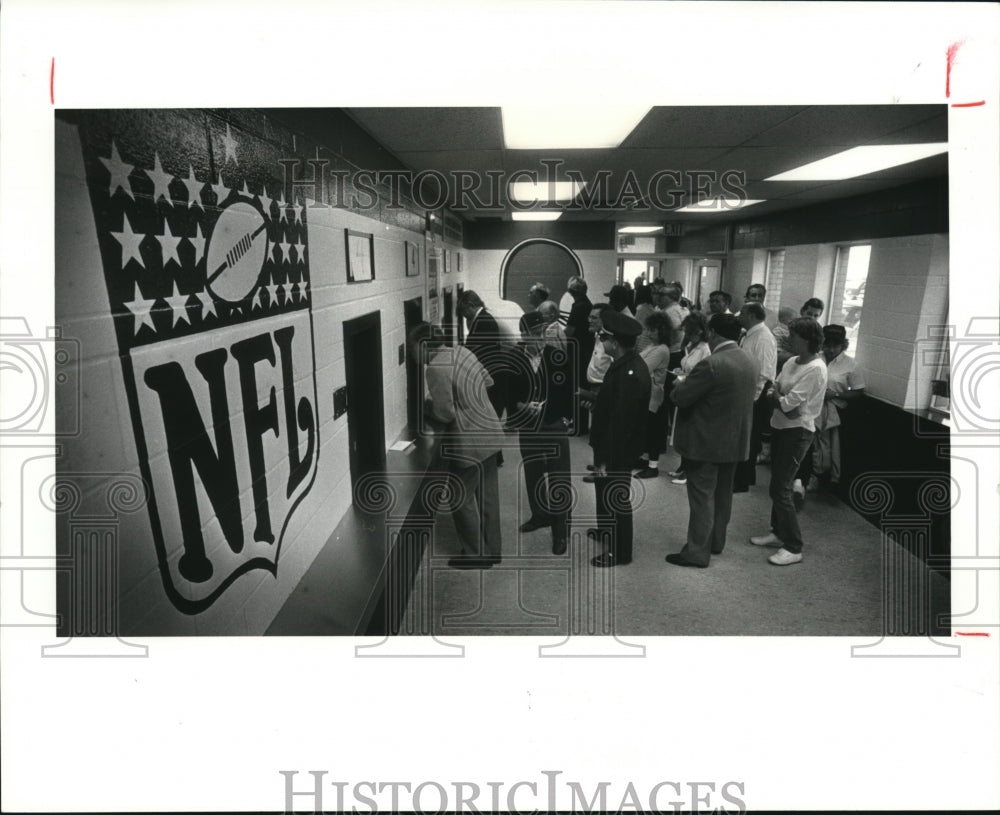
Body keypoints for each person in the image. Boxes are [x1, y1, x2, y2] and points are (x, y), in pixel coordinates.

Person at [664, 313, 757, 568]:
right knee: (723, 496)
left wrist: (680, 382)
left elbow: (681, 397)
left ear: (713, 333)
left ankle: (696, 552)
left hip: (706, 443)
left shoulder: (712, 364)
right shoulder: (749, 360)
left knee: (702, 499)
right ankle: (716, 542)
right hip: (735, 441)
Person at [409, 322, 503, 569]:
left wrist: (427, 407)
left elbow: (445, 413)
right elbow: (488, 381)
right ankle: (493, 550)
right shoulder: (463, 351)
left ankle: (475, 555)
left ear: (422, 346)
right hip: (491, 431)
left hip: (469, 442)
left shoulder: (436, 368)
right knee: (488, 495)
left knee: (460, 496)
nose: (411, 355)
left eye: (412, 349)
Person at [749, 317, 827, 566]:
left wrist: (781, 399)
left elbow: (787, 404)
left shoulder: (816, 368)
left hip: (798, 432)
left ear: (806, 339)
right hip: (782, 426)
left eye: (793, 336)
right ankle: (778, 532)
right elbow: (776, 391)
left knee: (781, 488)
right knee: (777, 484)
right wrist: (781, 399)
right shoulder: (793, 361)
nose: (788, 340)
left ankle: (794, 546)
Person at [587, 310, 650, 567]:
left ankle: (620, 552)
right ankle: (606, 532)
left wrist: (604, 458)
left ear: (615, 341)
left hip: (617, 449)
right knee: (604, 493)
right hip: (609, 444)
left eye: (603, 337)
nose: (600, 341)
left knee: (616, 497)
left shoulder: (631, 373)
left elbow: (621, 423)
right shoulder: (623, 363)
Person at [508, 312, 574, 555]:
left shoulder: (557, 357)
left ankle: (561, 532)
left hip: (554, 424)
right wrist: (521, 406)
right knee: (533, 473)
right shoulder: (514, 357)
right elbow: (507, 392)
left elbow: (568, 390)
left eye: (544, 334)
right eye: (536, 335)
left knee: (559, 479)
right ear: (524, 335)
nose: (542, 339)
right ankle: (540, 515)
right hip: (528, 427)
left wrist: (566, 418)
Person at [458, 289, 509, 464]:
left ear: (471, 306)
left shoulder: (484, 321)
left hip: (492, 375)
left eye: (464, 312)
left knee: (490, 419)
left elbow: (477, 351)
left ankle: (495, 458)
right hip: (493, 373)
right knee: (491, 419)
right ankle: (496, 458)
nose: (464, 317)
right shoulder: (483, 319)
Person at [812, 324, 866, 486]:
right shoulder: (815, 358)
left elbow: (858, 392)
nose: (830, 350)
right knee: (810, 444)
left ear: (843, 345)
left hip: (834, 411)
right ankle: (806, 475)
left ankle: (822, 477)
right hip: (812, 407)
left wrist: (835, 394)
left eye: (835, 346)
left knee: (827, 447)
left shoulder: (851, 365)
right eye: (826, 345)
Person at [733, 302, 777, 492]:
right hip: (746, 390)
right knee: (743, 436)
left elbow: (764, 372)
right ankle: (742, 476)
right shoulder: (749, 334)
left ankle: (742, 480)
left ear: (751, 315)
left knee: (749, 438)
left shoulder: (764, 337)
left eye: (742, 312)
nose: (738, 316)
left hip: (755, 394)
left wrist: (752, 398)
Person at [666, 310, 712, 485]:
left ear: (700, 331)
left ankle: (689, 471)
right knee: (682, 432)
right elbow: (688, 367)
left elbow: (702, 374)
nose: (688, 335)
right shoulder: (690, 346)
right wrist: (680, 372)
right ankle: (683, 466)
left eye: (691, 331)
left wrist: (684, 378)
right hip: (684, 391)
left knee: (691, 434)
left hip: (694, 394)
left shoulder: (705, 349)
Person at [635, 311, 674, 479]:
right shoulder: (652, 346)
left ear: (662, 330)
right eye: (648, 329)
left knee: (653, 432)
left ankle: (653, 466)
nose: (648, 333)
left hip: (654, 395)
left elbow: (642, 367)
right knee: (645, 428)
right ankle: (644, 460)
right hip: (646, 393)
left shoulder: (661, 350)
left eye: (652, 330)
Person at [563, 276, 593, 434]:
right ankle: (578, 423)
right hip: (585, 350)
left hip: (578, 352)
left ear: (572, 291)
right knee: (580, 387)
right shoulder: (587, 304)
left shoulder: (579, 306)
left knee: (577, 388)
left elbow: (569, 331)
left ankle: (579, 425)